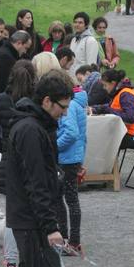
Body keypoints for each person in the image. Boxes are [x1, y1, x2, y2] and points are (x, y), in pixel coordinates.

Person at [5, 71, 72, 267]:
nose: (65, 113)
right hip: (31, 221)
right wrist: (50, 227)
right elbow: (36, 183)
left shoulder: (36, 126)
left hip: (32, 219)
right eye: (62, 107)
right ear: (46, 101)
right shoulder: (30, 130)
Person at [0, 59, 37, 267]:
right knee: (33, 211)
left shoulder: (2, 99)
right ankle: (29, 254)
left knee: (13, 213)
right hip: (30, 160)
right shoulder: (37, 100)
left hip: (9, 159)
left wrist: (3, 147)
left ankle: (11, 258)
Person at [57, 71, 87, 256]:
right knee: (69, 199)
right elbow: (83, 135)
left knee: (63, 199)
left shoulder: (70, 106)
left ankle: (70, 240)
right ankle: (70, 239)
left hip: (66, 159)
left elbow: (71, 133)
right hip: (73, 157)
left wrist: (52, 145)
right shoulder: (79, 103)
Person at [90, 68, 134, 150]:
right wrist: (95, 109)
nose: (104, 88)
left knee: (100, 138)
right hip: (131, 132)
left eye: (105, 85)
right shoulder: (121, 92)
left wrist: (107, 110)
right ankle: (111, 162)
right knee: (102, 136)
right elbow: (110, 107)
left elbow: (130, 118)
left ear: (113, 83)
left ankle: (109, 163)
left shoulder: (125, 94)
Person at [0, 30, 32, 99]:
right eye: (26, 48)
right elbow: (5, 84)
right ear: (19, 43)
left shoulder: (7, 53)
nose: (25, 52)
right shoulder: (5, 57)